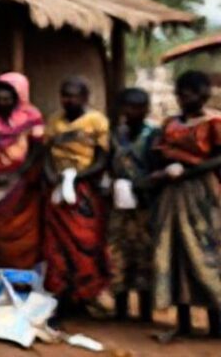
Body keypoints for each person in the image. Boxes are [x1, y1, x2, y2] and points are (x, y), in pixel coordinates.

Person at [150, 70, 221, 341]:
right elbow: (159, 152)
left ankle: (216, 323)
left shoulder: (214, 123)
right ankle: (183, 322)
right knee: (175, 253)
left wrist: (188, 171)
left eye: (189, 93)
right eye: (179, 93)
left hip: (202, 195)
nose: (183, 98)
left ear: (204, 95)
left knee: (206, 254)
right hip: (172, 196)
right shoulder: (170, 124)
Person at [42, 77, 111, 311]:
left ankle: (87, 293)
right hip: (58, 188)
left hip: (84, 188)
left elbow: (102, 159)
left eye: (74, 95)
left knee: (86, 240)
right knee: (57, 242)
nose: (68, 100)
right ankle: (62, 294)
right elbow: (46, 153)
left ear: (85, 97)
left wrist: (77, 177)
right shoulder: (54, 122)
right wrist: (53, 177)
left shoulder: (96, 122)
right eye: (65, 95)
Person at [0, 73, 44, 278]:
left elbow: (37, 149)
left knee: (22, 232)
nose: (2, 104)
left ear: (18, 98)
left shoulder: (32, 117)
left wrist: (18, 174)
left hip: (22, 182)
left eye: (7, 99)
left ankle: (21, 276)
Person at [106, 88, 159, 322]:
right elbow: (109, 163)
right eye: (128, 107)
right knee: (118, 254)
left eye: (138, 107)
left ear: (146, 109)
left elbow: (159, 166)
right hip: (120, 203)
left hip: (146, 206)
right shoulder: (117, 135)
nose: (132, 112)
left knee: (145, 255)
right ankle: (120, 309)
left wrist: (146, 183)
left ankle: (146, 312)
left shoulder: (154, 135)